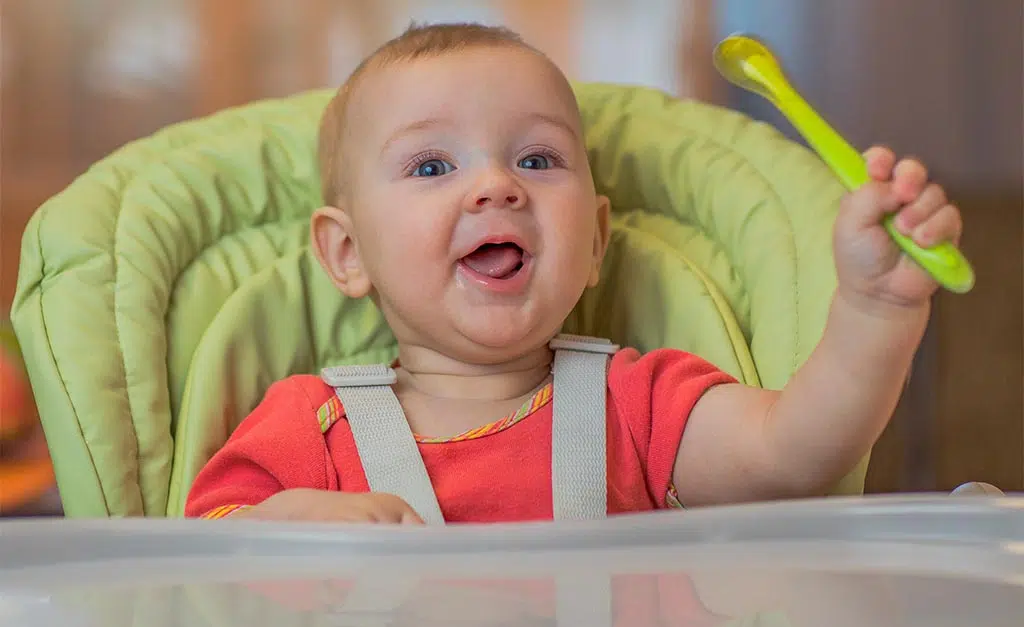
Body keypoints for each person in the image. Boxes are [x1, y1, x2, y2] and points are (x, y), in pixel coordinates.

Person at [185, 22, 964, 524]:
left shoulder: (638, 403)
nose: (497, 185)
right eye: (431, 165)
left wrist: (876, 307)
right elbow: (198, 569)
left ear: (595, 240)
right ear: (346, 254)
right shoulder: (308, 425)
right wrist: (291, 528)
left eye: (536, 158)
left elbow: (795, 453)